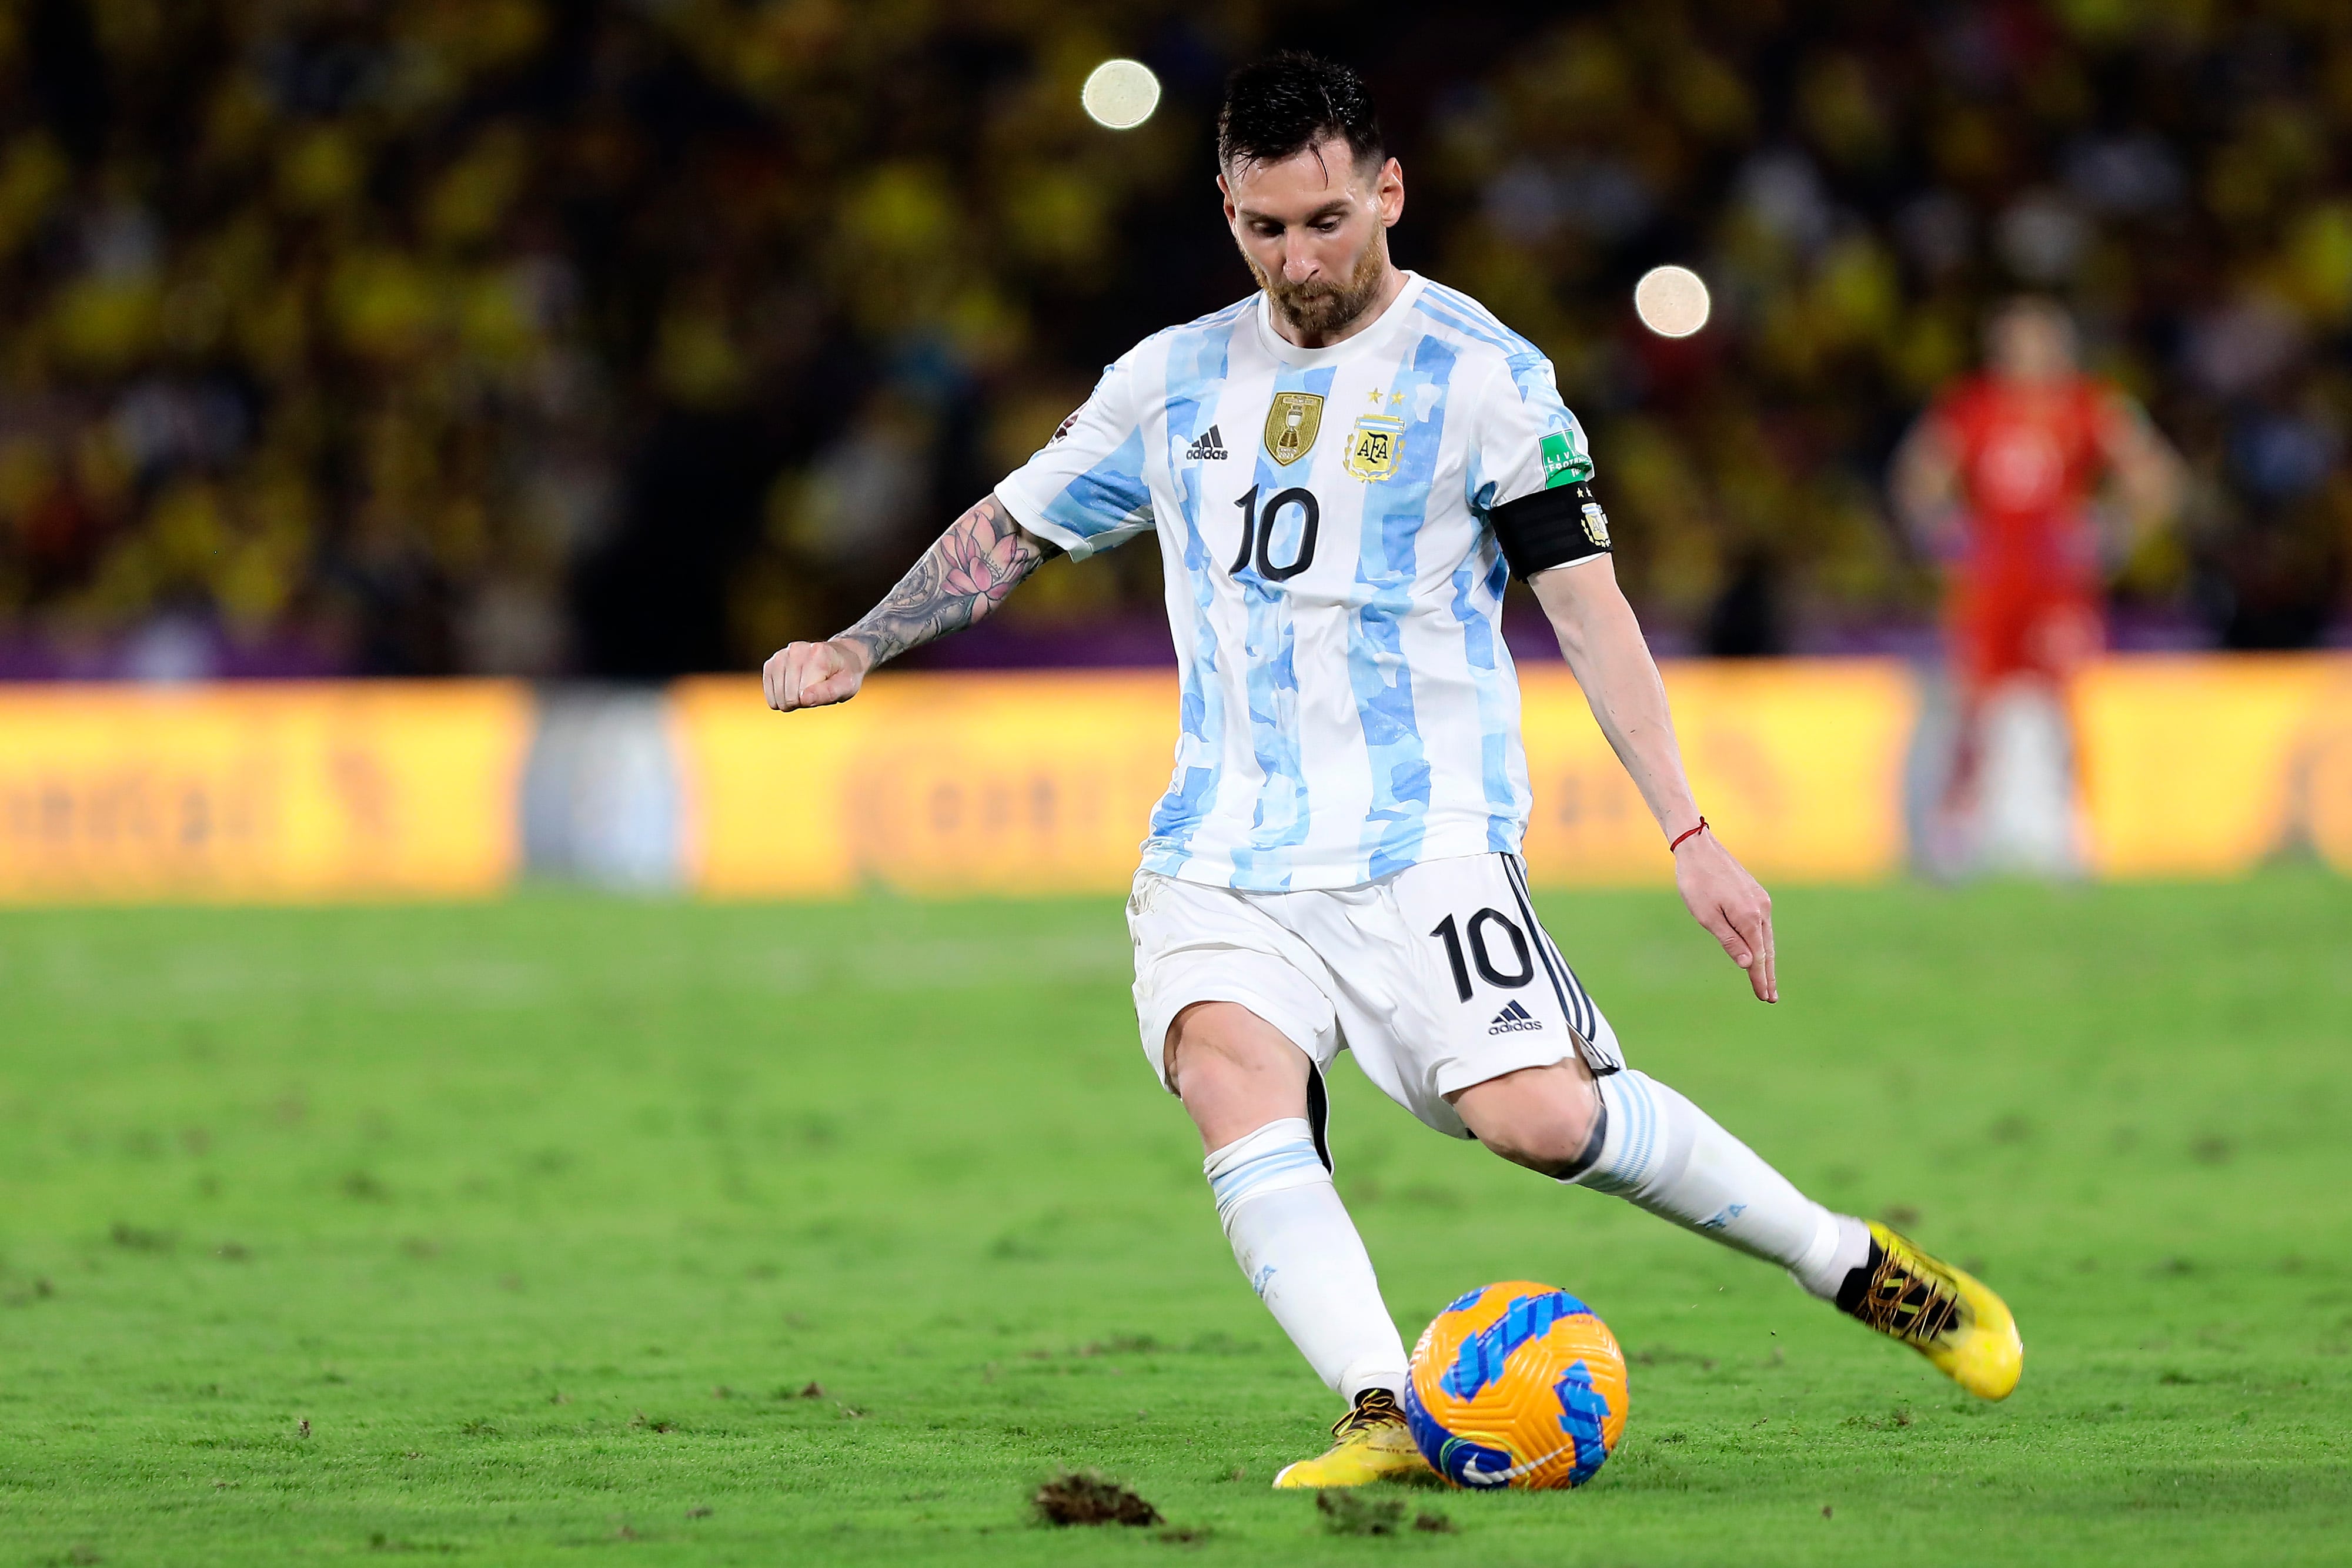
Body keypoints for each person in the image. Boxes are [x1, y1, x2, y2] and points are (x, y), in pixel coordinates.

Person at [767, 53, 2022, 1487]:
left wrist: (1689, 828)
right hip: (1219, 849)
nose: (1296, 259)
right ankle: (1382, 1405)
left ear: (1387, 192)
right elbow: (1010, 528)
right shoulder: (1169, 382)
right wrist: (865, 642)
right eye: (1262, 228)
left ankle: (1851, 1265)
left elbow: (1587, 607)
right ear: (1226, 209)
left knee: (1541, 1122)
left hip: (1421, 835)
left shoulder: (1482, 378)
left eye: (1322, 221)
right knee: (1230, 1077)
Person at [1892, 298, 2183, 876]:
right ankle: (1956, 833)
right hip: (1990, 583)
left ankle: (2071, 831)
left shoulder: (2091, 405)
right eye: (2014, 342)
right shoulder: (1972, 407)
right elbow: (1917, 475)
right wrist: (1943, 536)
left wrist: (2114, 533)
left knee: (2063, 704)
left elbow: (2157, 476)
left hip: (2058, 585)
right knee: (1972, 703)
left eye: (2038, 341)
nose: (2027, 354)